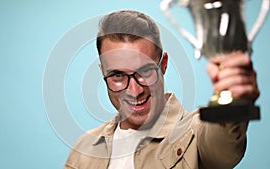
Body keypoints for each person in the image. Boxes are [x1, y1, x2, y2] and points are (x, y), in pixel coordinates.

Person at [64, 10, 260, 169]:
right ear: (103, 72)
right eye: (117, 76)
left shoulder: (195, 132)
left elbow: (223, 144)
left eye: (145, 71)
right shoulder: (83, 148)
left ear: (163, 64)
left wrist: (234, 101)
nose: (134, 90)